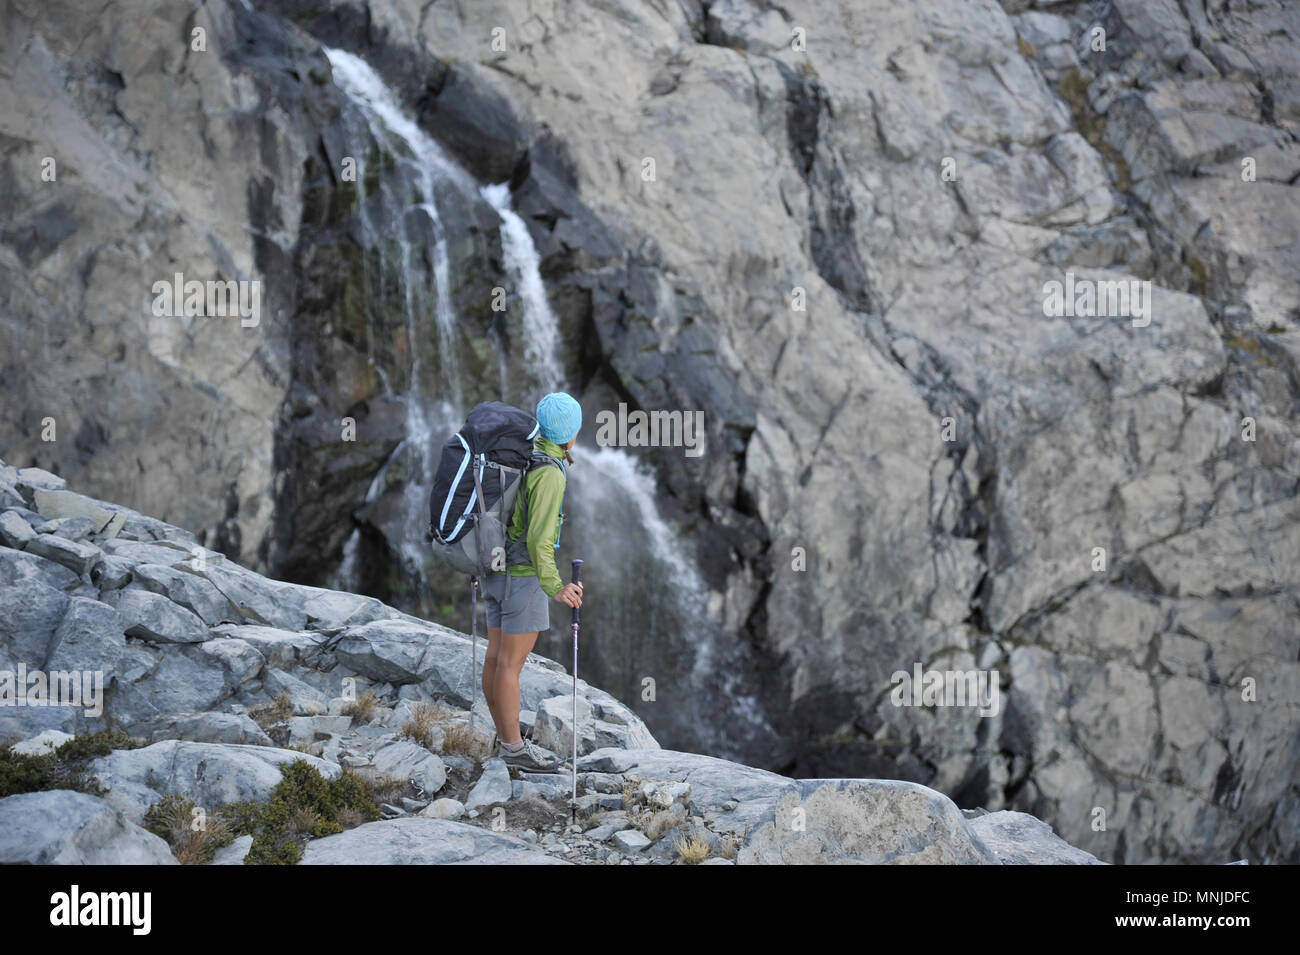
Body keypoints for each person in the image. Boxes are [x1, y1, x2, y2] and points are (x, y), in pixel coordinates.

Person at [480, 392, 584, 772]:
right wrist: (556, 585)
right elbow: (540, 539)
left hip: (494, 568)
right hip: (522, 579)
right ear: (570, 436)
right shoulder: (550, 473)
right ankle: (514, 750)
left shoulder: (521, 454)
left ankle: (504, 734)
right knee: (510, 666)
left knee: (495, 658)